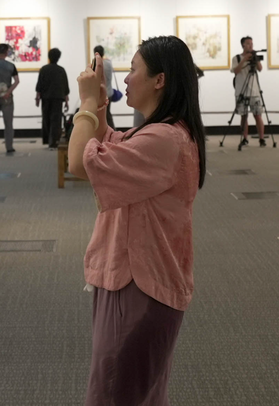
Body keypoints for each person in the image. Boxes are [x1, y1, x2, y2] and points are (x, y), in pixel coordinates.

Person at [67, 36, 206, 406]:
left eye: (133, 70)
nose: (126, 79)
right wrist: (99, 104)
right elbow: (111, 141)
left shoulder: (164, 138)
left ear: (159, 80)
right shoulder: (164, 132)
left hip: (138, 288)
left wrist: (86, 104)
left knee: (114, 394)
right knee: (134, 393)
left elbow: (79, 163)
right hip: (137, 281)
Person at [230, 36, 266, 148]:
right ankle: (245, 138)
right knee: (243, 116)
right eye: (248, 43)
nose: (251, 45)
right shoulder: (236, 58)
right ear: (243, 45)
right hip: (241, 92)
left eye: (251, 43)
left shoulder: (254, 57)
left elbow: (260, 69)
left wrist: (255, 58)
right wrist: (245, 59)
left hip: (254, 92)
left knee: (258, 115)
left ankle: (261, 139)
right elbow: (236, 71)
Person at [35, 47, 70, 149]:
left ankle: (47, 139)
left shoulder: (44, 69)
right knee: (56, 119)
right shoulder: (61, 70)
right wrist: (66, 101)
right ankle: (54, 141)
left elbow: (39, 85)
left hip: (46, 97)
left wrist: (37, 98)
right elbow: (65, 87)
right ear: (58, 57)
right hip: (58, 98)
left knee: (46, 118)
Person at [0, 43, 19, 156]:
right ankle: (9, 147)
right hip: (7, 97)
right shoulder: (11, 66)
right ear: (6, 52)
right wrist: (8, 92)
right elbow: (16, 81)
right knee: (8, 123)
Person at [93, 45, 116, 128]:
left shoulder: (96, 65)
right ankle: (112, 130)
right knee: (107, 113)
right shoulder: (109, 63)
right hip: (109, 92)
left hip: (100, 93)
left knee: (101, 114)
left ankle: (107, 131)